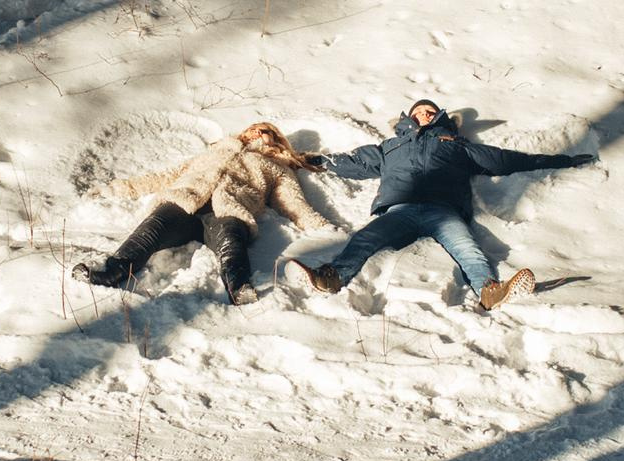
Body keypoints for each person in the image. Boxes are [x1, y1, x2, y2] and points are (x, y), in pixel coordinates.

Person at [296, 99, 595, 310]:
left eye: (430, 111)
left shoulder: (457, 145)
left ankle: (490, 293)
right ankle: (330, 278)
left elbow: (506, 159)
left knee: (469, 250)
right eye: (419, 111)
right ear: (408, 118)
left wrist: (562, 159)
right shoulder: (390, 147)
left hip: (444, 211)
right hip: (400, 208)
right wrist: (315, 161)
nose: (425, 114)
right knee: (364, 238)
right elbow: (354, 162)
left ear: (440, 116)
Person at [74, 122, 333, 305]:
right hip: (185, 203)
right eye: (252, 128)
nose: (255, 131)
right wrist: (114, 189)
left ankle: (239, 287)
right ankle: (113, 271)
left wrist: (323, 228)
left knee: (231, 244)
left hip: (228, 209)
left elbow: (294, 203)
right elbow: (164, 177)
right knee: (150, 230)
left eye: (264, 130)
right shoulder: (215, 151)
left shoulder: (275, 167)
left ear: (275, 140)